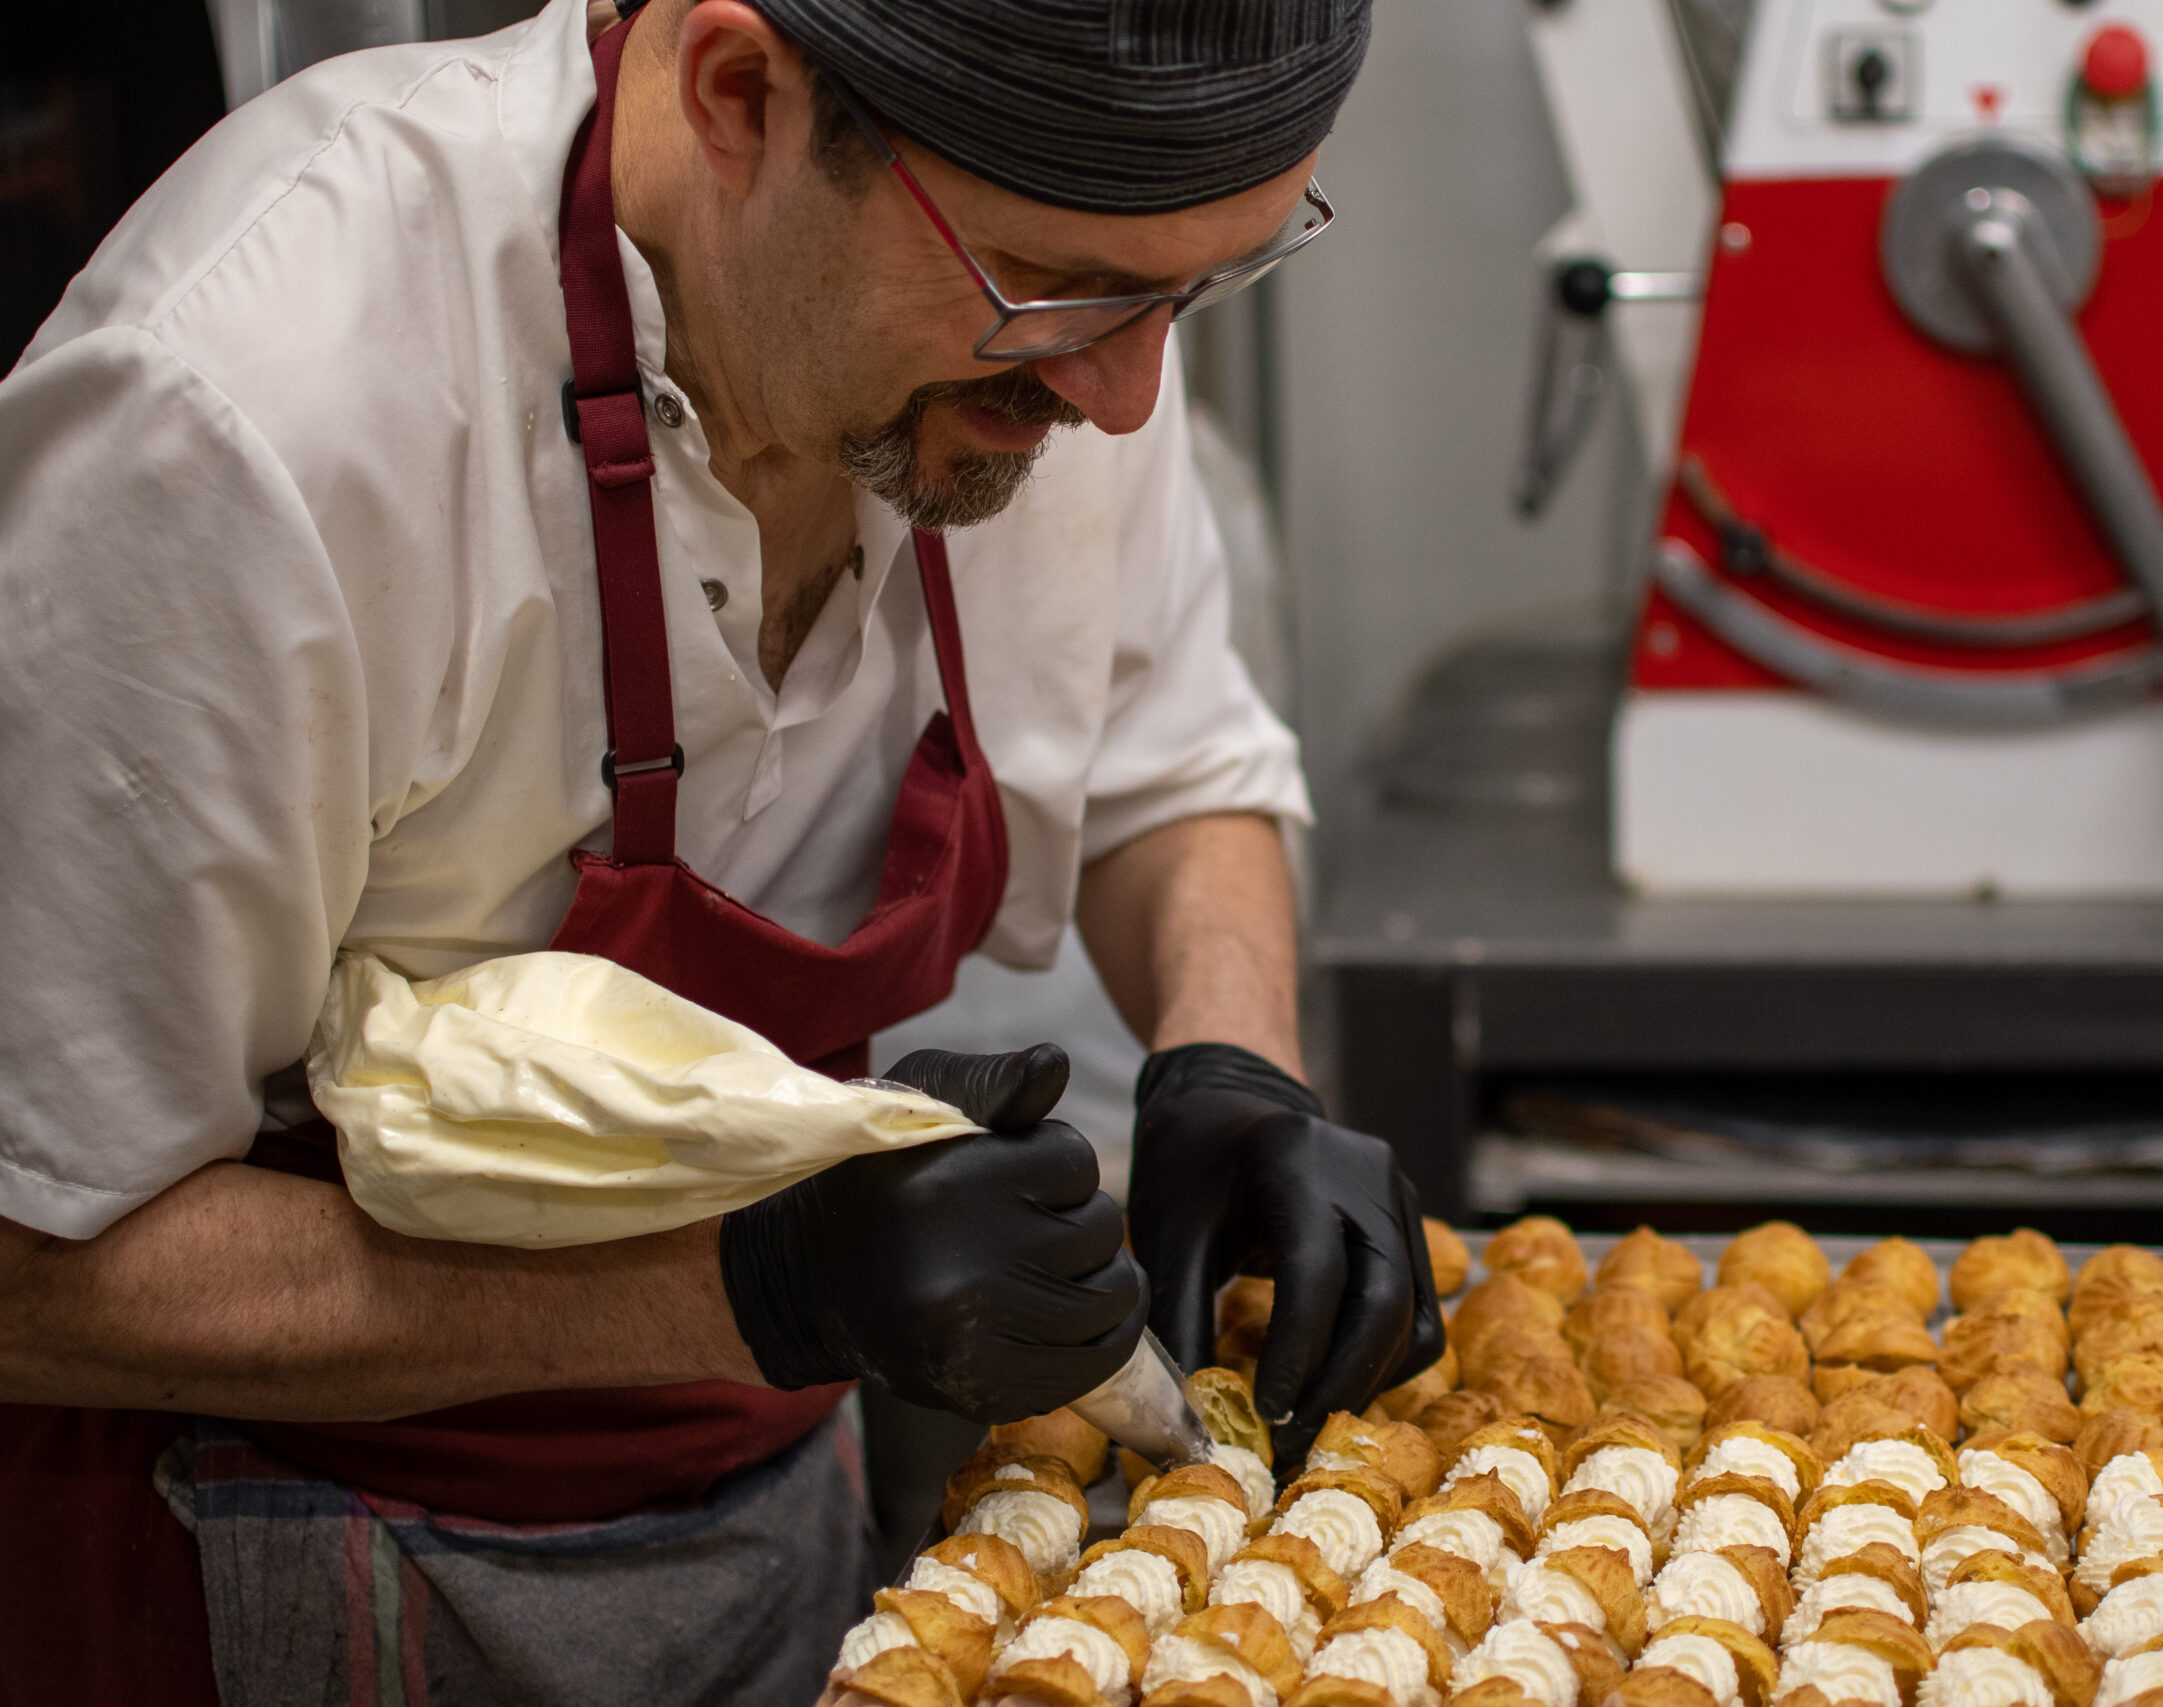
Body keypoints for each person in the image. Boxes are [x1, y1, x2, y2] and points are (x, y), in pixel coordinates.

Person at [0, 0, 1444, 1698]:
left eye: (1197, 290)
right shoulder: (249, 422)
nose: (1124, 400)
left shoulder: (1028, 301)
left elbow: (1165, 755)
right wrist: (737, 1286)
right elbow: (38, 1261)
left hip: (771, 1531)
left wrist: (1236, 1056)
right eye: (1063, 287)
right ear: (742, 92)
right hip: (271, 1552)